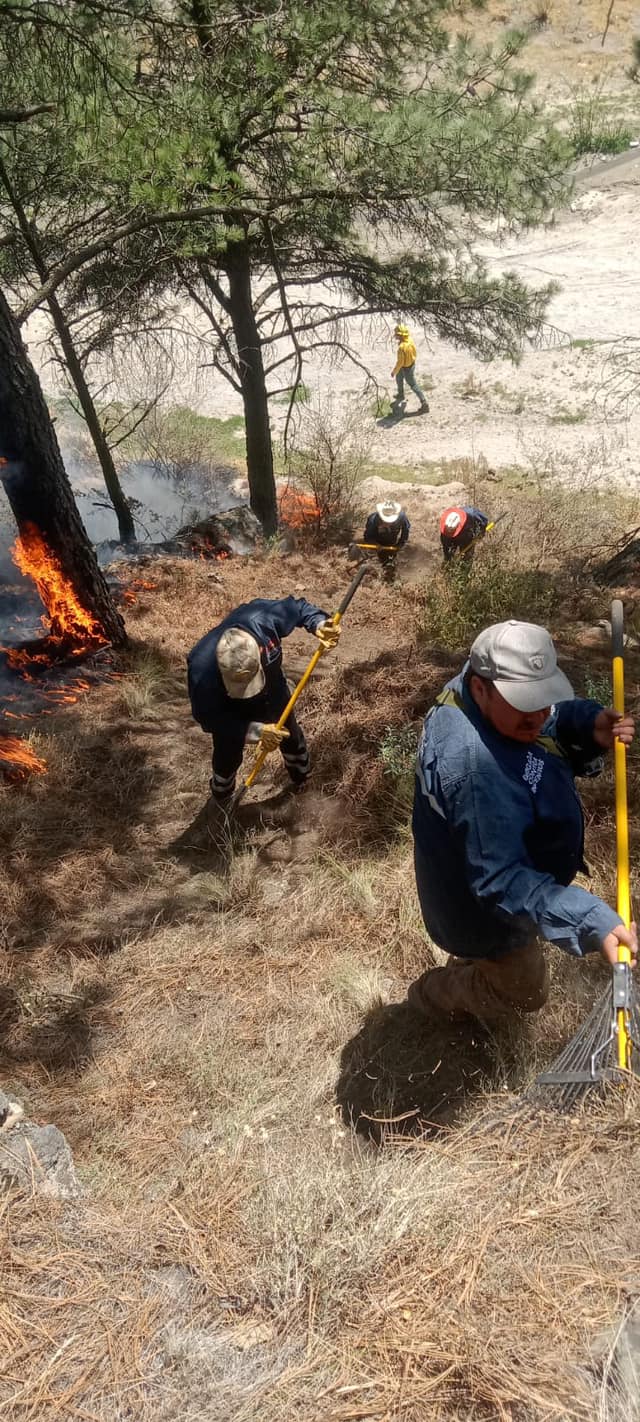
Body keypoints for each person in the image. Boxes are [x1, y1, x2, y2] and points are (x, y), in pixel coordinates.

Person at [409, 620, 637, 1023]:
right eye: (525, 703)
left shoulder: (481, 687)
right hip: (482, 917)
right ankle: (433, 995)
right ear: (481, 688)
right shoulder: (475, 771)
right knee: (526, 992)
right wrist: (588, 919)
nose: (539, 715)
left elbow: (546, 719)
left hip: (481, 873)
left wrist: (585, 725)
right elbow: (501, 880)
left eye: (543, 699)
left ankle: (471, 968)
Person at [187, 595, 340, 805]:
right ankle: (221, 795)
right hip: (230, 708)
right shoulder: (201, 669)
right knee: (226, 754)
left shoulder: (264, 619)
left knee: (291, 737)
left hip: (272, 689)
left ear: (259, 652)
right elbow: (208, 719)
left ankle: (303, 778)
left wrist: (320, 623)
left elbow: (299, 608)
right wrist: (254, 732)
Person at [362, 500, 410, 584]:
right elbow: (367, 537)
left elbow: (406, 530)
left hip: (392, 541)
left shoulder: (402, 517)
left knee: (391, 562)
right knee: (378, 561)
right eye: (385, 520)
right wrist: (375, 544)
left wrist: (400, 544)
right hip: (377, 541)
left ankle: (390, 578)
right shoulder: (373, 520)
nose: (388, 522)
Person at [391, 324, 429, 415]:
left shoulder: (401, 348)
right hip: (411, 364)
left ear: (400, 335)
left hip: (405, 367)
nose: (395, 335)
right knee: (399, 378)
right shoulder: (410, 341)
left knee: (413, 385)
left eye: (396, 334)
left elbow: (400, 362)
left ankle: (424, 404)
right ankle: (401, 394)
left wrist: (394, 371)